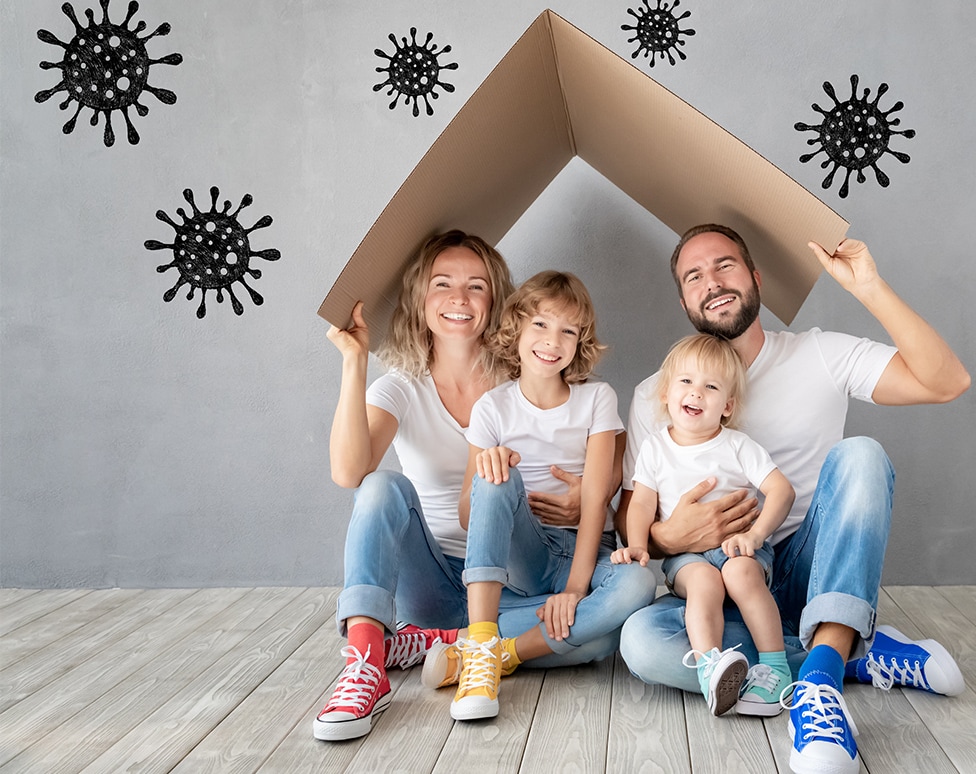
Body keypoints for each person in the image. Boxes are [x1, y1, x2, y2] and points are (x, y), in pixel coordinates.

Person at [617, 225, 970, 774]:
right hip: (719, 585)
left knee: (861, 455)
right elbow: (633, 508)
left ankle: (820, 687)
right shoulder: (656, 395)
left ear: (755, 278)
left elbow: (946, 381)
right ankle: (850, 649)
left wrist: (870, 286)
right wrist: (668, 537)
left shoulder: (820, 354)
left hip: (808, 569)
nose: (712, 282)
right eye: (694, 276)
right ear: (684, 299)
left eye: (725, 265)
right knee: (642, 641)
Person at [314, 232, 653, 741]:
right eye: (442, 284)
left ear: (496, 302)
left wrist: (591, 491)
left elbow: (613, 450)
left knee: (599, 643)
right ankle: (366, 662)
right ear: (418, 298)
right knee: (380, 487)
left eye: (476, 286)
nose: (459, 298)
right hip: (433, 575)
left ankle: (448, 646)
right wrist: (354, 359)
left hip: (516, 580)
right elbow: (347, 472)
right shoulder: (402, 386)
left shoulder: (524, 373)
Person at [444, 270, 655, 720]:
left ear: (580, 342)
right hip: (527, 554)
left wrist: (576, 591)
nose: (551, 340)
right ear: (516, 328)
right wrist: (490, 468)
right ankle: (483, 640)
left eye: (568, 331)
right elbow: (467, 513)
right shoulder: (492, 408)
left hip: (586, 551)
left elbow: (596, 500)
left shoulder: (596, 398)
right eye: (540, 324)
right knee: (496, 475)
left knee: (635, 588)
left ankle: (498, 652)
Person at [613, 333, 796, 717]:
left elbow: (781, 490)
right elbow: (642, 502)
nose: (696, 393)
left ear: (727, 406)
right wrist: (638, 544)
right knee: (703, 581)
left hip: (738, 548)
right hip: (687, 557)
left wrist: (755, 533)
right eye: (685, 381)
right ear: (665, 393)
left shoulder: (737, 445)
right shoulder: (655, 448)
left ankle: (775, 667)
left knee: (742, 574)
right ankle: (710, 668)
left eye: (710, 386)